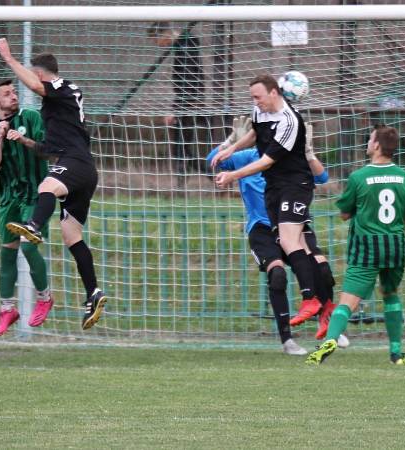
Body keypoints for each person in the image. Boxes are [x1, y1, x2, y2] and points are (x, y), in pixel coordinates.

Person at [207, 117, 348, 352]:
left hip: (294, 222)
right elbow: (211, 161)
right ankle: (287, 340)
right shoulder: (248, 157)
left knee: (321, 269)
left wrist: (309, 154)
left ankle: (330, 324)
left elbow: (322, 178)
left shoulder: (289, 159)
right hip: (262, 228)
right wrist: (230, 142)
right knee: (278, 274)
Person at [0, 38, 107, 330]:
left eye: (36, 75)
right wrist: (24, 140)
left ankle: (32, 226)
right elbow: (46, 150)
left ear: (42, 74)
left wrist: (9, 59)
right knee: (72, 237)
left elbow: (34, 86)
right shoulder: (57, 108)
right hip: (81, 168)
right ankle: (93, 293)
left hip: (76, 162)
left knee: (47, 187)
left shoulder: (63, 87)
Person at [212, 75, 323, 329]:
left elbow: (266, 161)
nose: (255, 102)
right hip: (274, 186)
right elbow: (255, 132)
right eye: (253, 97)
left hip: (295, 184)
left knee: (290, 240)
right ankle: (314, 300)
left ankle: (312, 300)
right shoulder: (260, 110)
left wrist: (233, 175)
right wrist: (231, 148)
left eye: (258, 97)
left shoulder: (290, 121)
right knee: (291, 242)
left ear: (275, 93)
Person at [306, 124, 405, 366]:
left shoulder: (359, 177)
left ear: (377, 145)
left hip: (366, 246)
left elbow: (345, 214)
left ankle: (330, 340)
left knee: (348, 301)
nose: (367, 143)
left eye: (370, 139)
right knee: (390, 294)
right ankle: (396, 353)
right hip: (395, 246)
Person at [0, 78, 53, 336]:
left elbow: (48, 151)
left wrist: (23, 140)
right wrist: (1, 138)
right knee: (7, 254)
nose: (13, 96)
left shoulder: (32, 118)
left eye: (14, 92)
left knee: (27, 245)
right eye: (7, 93)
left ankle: (44, 297)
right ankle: (7, 310)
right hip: (9, 198)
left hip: (36, 194)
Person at [147, 21, 207, 177]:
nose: (158, 45)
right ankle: (187, 181)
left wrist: (175, 110)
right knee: (181, 146)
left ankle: (211, 175)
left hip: (190, 101)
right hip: (191, 99)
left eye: (155, 41)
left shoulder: (185, 46)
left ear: (164, 34)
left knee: (181, 147)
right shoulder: (185, 42)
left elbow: (189, 81)